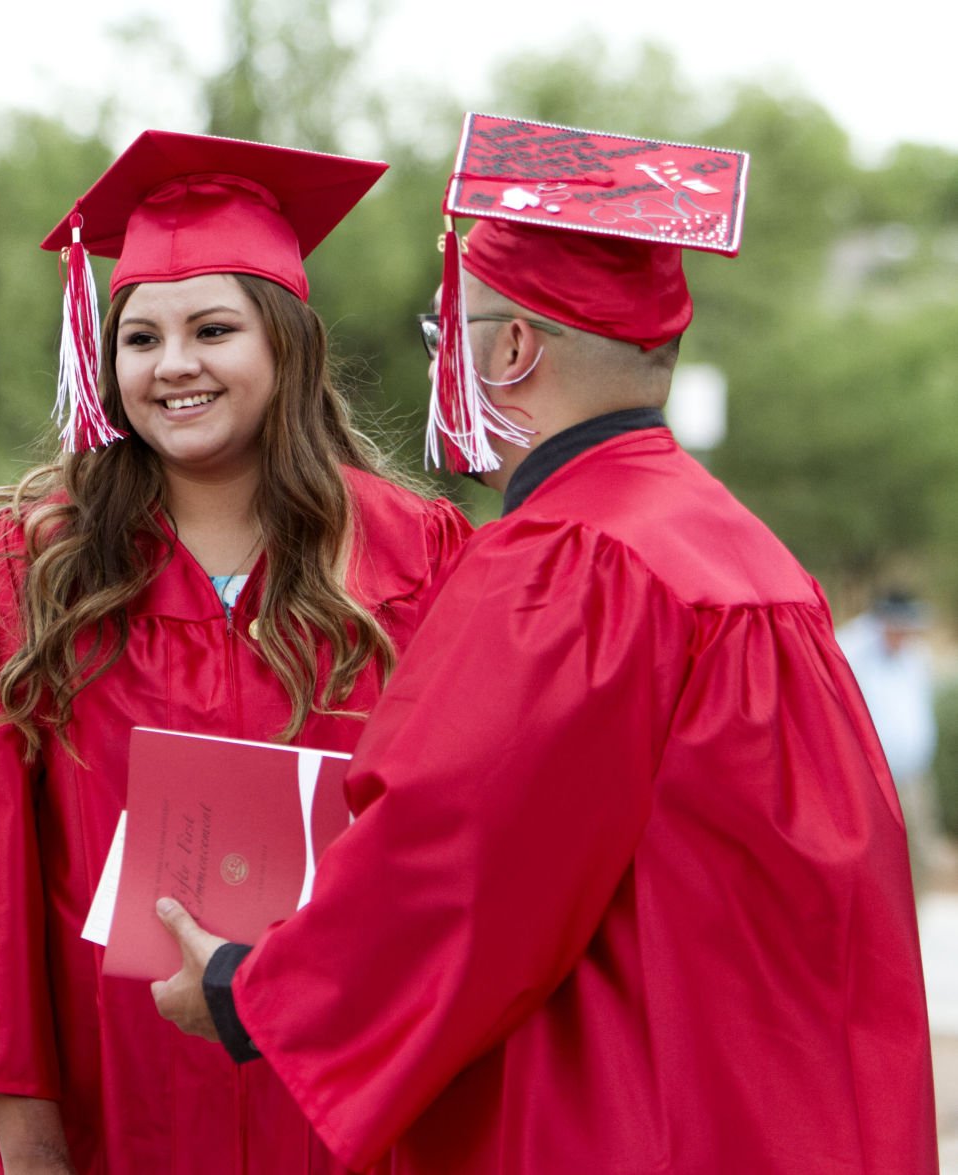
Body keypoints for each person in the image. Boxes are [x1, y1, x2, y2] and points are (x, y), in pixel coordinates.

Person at [152, 115, 938, 1172]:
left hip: (618, 1111)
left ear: (511, 348)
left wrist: (246, 990)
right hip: (764, 1105)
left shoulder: (570, 561)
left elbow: (456, 861)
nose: (441, 366)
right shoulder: (750, 561)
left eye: (446, 337)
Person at [0, 131, 471, 1174]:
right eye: (140, 338)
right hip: (102, 1103)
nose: (173, 363)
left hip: (343, 1108)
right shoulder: (30, 566)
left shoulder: (418, 556)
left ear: (286, 344)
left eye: (212, 328)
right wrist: (33, 1150)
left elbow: (457, 849)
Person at [839, 588, 946, 878]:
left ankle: (916, 919)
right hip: (869, 777)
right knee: (878, 856)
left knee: (918, 853)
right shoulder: (855, 650)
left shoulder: (916, 656)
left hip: (914, 774)